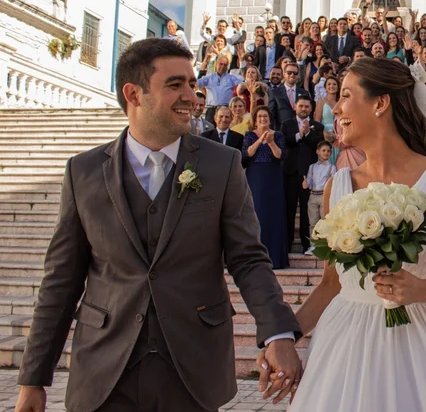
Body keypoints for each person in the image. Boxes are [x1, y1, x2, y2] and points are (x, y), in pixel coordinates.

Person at [14, 38, 302, 412]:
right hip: (104, 373)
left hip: (193, 369)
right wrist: (33, 379)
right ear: (134, 94)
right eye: (175, 85)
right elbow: (61, 281)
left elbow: (248, 259)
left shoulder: (222, 165)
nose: (191, 95)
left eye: (192, 83)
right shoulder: (82, 172)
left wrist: (277, 332)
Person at [284, 58, 426, 412]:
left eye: (347, 95)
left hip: (422, 342)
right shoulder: (339, 184)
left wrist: (421, 289)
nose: (335, 106)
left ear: (381, 103)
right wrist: (284, 340)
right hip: (345, 344)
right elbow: (331, 285)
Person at [243, 106, 290, 269]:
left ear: (270, 119)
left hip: (273, 177)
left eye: (265, 116)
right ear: (255, 120)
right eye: (260, 116)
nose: (263, 119)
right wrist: (260, 139)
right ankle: (255, 258)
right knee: (256, 213)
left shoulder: (278, 135)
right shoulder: (249, 135)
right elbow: (247, 154)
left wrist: (270, 142)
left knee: (273, 214)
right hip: (255, 177)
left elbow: (280, 156)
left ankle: (275, 258)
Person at [281, 95, 324, 255]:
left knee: (308, 211)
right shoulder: (287, 124)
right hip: (290, 173)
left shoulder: (317, 126)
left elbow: (317, 145)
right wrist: (299, 134)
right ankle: (287, 243)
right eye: (301, 106)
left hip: (309, 175)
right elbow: (285, 142)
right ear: (295, 107)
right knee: (289, 209)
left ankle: (308, 245)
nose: (304, 109)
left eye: (307, 106)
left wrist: (307, 133)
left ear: (311, 109)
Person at [302, 141, 337, 238]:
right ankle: (313, 245)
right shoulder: (312, 167)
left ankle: (325, 244)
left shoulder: (332, 167)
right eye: (323, 150)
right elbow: (308, 181)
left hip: (324, 196)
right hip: (312, 196)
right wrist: (306, 184)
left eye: (328, 151)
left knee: (325, 222)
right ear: (317, 152)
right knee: (312, 223)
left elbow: (333, 183)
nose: (326, 153)